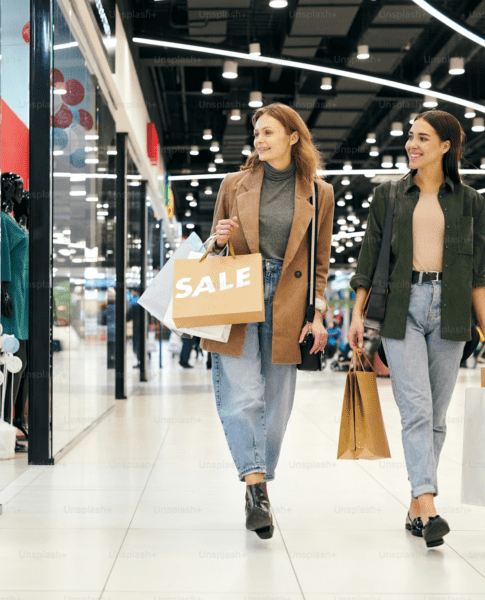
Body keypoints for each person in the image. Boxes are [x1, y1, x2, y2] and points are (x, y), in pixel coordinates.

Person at [348, 110, 485, 548]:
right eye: (410, 137)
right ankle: (428, 501)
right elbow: (369, 260)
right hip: (403, 308)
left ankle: (415, 505)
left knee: (436, 417)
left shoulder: (470, 201)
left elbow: (479, 272)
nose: (411, 144)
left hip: (453, 310)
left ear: (446, 146)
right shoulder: (389, 196)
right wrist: (356, 315)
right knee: (417, 409)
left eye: (422, 138)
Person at [202, 103, 334, 539]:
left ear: (293, 137)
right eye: (257, 133)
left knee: (275, 408)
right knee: (241, 396)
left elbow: (320, 262)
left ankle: (256, 477)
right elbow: (213, 247)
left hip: (290, 300)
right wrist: (218, 240)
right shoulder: (233, 184)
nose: (259, 140)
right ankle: (256, 489)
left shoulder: (319, 192)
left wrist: (318, 314)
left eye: (269, 133)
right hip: (238, 290)